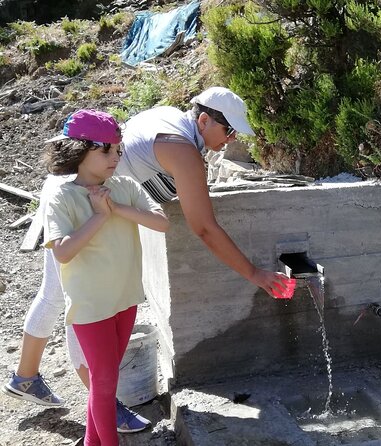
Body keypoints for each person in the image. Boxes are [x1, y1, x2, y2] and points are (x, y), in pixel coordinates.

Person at [3, 88, 291, 425]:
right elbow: (205, 228)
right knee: (79, 302)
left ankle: (25, 378)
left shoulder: (170, 119)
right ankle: (106, 408)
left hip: (71, 183)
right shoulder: (183, 150)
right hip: (81, 197)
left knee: (54, 294)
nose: (229, 140)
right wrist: (254, 273)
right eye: (228, 130)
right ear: (203, 119)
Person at [41, 109, 169, 445]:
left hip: (124, 299)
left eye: (118, 149)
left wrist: (117, 210)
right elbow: (64, 252)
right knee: (105, 380)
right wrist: (99, 216)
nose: (115, 157)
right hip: (90, 305)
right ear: (80, 150)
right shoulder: (62, 196)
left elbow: (161, 222)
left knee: (103, 382)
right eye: (106, 150)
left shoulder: (124, 186)